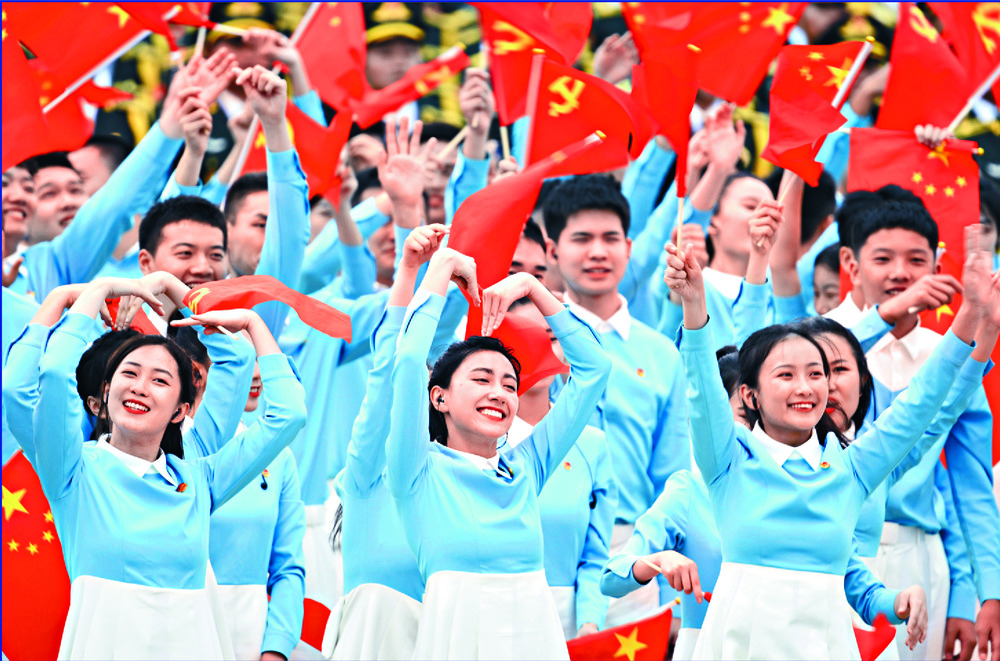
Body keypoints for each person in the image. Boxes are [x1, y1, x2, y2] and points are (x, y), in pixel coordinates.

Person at [662, 220, 992, 658]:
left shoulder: (853, 466)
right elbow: (702, 389)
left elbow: (923, 405)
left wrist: (971, 313)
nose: (807, 388)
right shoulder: (728, 459)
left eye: (816, 374)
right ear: (749, 395)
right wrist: (693, 305)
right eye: (786, 375)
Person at [17, 276, 306, 659]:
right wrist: (87, 296)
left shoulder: (200, 478)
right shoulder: (74, 472)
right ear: (105, 393)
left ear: (181, 411)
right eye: (130, 373)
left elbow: (288, 413)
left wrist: (244, 322)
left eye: (160, 380)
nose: (141, 387)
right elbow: (44, 377)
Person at [385, 255, 612, 659]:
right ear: (439, 397)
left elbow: (594, 368)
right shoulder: (417, 469)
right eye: (481, 379)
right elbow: (406, 363)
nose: (499, 393)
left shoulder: (525, 467)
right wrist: (439, 270)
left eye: (510, 384)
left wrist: (530, 286)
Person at [543, 173, 688, 624]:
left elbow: (671, 476)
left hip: (633, 555)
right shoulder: (531, 338)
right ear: (552, 251)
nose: (598, 252)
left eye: (610, 238)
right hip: (547, 547)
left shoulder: (662, 353)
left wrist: (669, 593)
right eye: (581, 238)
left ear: (629, 245)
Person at [329, 224, 448, 659]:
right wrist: (410, 269)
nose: (415, 399)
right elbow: (388, 370)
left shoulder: (464, 483)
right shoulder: (365, 479)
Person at [504, 298, 618, 641]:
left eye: (551, 336)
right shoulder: (469, 443)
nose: (536, 348)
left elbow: (595, 555)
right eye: (518, 340)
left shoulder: (592, 445)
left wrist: (589, 624)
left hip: (564, 628)